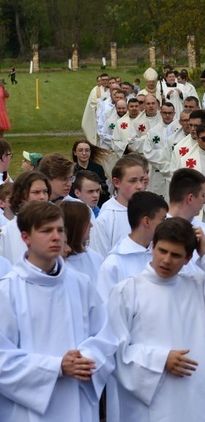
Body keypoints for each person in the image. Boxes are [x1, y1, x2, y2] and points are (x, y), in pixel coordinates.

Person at [107, 217, 205, 421]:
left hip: (192, 396)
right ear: (152, 247)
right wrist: (160, 359)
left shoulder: (196, 286)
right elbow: (115, 351)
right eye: (162, 251)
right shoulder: (127, 291)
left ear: (188, 258)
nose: (166, 260)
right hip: (149, 399)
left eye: (176, 255)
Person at [0, 201, 117, 421]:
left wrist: (85, 359)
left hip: (78, 399)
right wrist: (56, 367)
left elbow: (105, 337)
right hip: (29, 410)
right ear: (26, 238)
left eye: (60, 230)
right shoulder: (7, 291)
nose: (56, 237)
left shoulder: (81, 284)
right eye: (46, 231)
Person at [90, 155, 146, 257]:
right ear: (117, 182)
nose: (140, 186)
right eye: (133, 181)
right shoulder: (106, 218)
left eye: (142, 180)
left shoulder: (152, 210)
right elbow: (100, 258)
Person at [0, 171, 50, 264]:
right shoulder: (5, 234)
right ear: (22, 196)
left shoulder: (58, 228)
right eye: (36, 192)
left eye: (45, 192)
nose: (42, 197)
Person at [61, 201, 103, 286]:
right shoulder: (54, 263)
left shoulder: (96, 258)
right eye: (87, 222)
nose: (91, 225)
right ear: (75, 226)